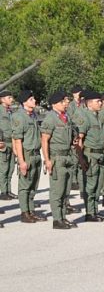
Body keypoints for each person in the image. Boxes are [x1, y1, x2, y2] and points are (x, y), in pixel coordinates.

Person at [40, 91, 78, 229]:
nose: (66, 104)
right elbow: (44, 140)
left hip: (67, 156)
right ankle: (57, 219)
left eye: (67, 101)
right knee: (57, 190)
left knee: (66, 190)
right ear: (55, 103)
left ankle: (63, 216)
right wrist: (47, 160)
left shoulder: (66, 117)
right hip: (57, 157)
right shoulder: (50, 118)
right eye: (63, 102)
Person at [73, 90, 104, 222]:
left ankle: (95, 210)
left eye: (100, 101)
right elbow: (80, 139)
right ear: (89, 103)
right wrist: (81, 158)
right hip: (90, 154)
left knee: (98, 184)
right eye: (97, 101)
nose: (100, 103)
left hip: (99, 154)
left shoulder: (98, 116)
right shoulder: (84, 117)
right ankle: (89, 212)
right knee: (91, 184)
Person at [12, 91, 46, 223]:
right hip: (27, 154)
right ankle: (24, 212)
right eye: (31, 99)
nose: (34, 100)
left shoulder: (33, 116)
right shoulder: (19, 117)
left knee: (33, 185)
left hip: (36, 154)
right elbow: (17, 140)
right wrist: (21, 161)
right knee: (25, 185)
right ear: (24, 102)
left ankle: (31, 211)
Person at [0, 90, 17, 200]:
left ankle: (8, 190)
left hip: (12, 142)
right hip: (3, 142)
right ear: (2, 99)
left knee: (11, 168)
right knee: (3, 168)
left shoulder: (10, 111)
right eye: (9, 98)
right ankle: (3, 191)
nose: (12, 99)